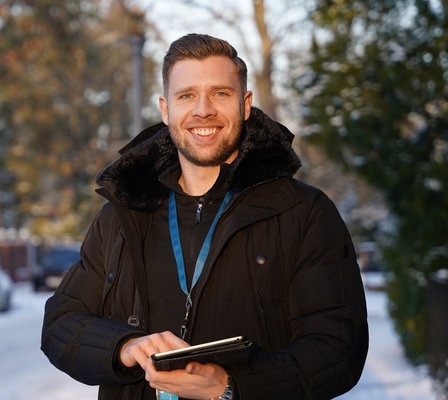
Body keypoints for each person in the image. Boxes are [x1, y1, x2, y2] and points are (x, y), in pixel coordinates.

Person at [41, 33, 368, 400]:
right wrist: (125, 346)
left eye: (220, 93)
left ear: (245, 104)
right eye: (187, 95)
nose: (203, 110)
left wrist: (230, 386)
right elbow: (60, 325)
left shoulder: (303, 211)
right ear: (166, 109)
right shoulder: (122, 214)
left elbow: (339, 347)